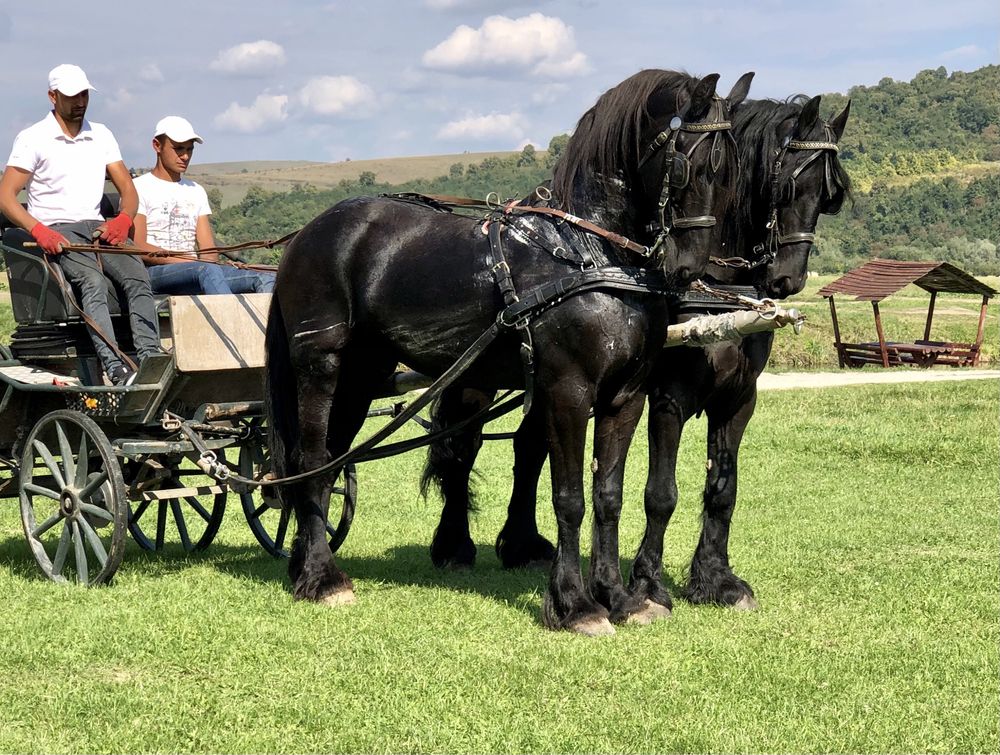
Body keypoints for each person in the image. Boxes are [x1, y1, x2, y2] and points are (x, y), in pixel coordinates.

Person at [0, 64, 161, 386]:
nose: (80, 102)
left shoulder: (100, 134)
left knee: (137, 276)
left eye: (84, 94)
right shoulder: (33, 138)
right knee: (92, 282)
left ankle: (150, 357)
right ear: (53, 96)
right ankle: (115, 366)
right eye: (72, 96)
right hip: (59, 228)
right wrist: (39, 229)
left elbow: (127, 189)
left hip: (98, 227)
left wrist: (123, 218)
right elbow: (6, 197)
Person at [131, 116, 275, 294]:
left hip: (199, 270)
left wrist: (205, 262)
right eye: (178, 149)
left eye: (189, 149)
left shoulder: (196, 190)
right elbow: (139, 246)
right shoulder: (138, 188)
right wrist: (189, 262)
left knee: (265, 277)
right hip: (154, 273)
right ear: (157, 146)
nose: (185, 156)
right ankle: (228, 321)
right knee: (207, 270)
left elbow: (208, 250)